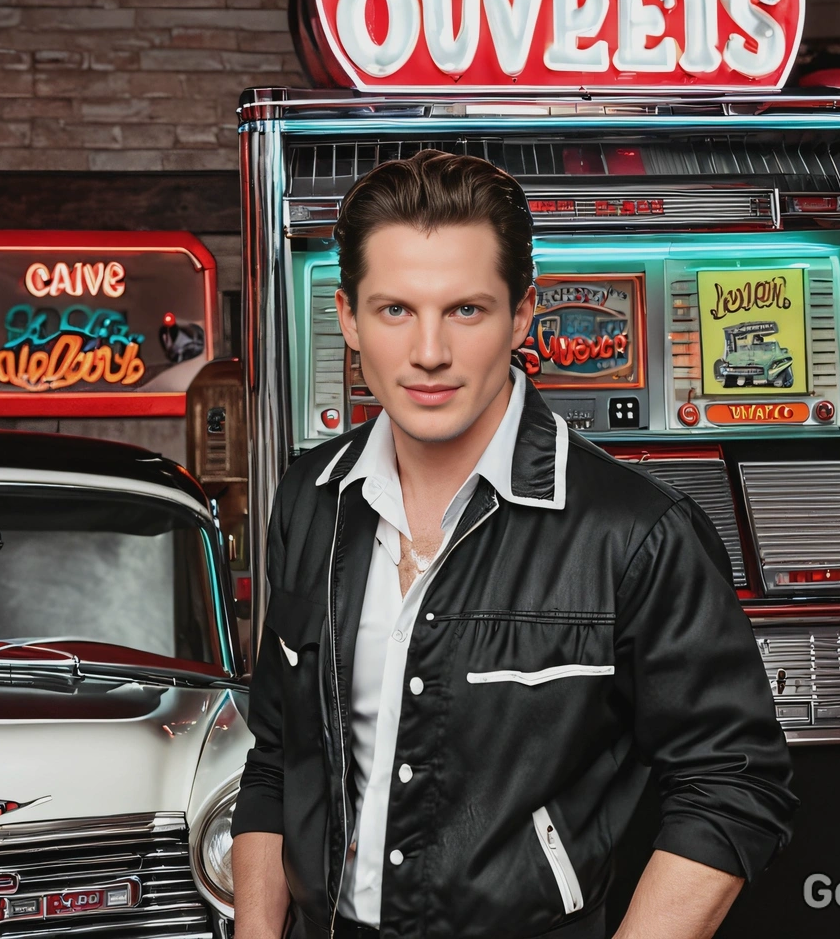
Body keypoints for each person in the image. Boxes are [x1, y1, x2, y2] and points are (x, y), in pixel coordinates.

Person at [230, 150, 798, 939]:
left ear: (521, 315)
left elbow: (734, 784)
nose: (429, 352)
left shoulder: (634, 532)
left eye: (465, 310)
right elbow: (275, 758)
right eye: (396, 310)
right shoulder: (309, 498)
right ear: (348, 318)